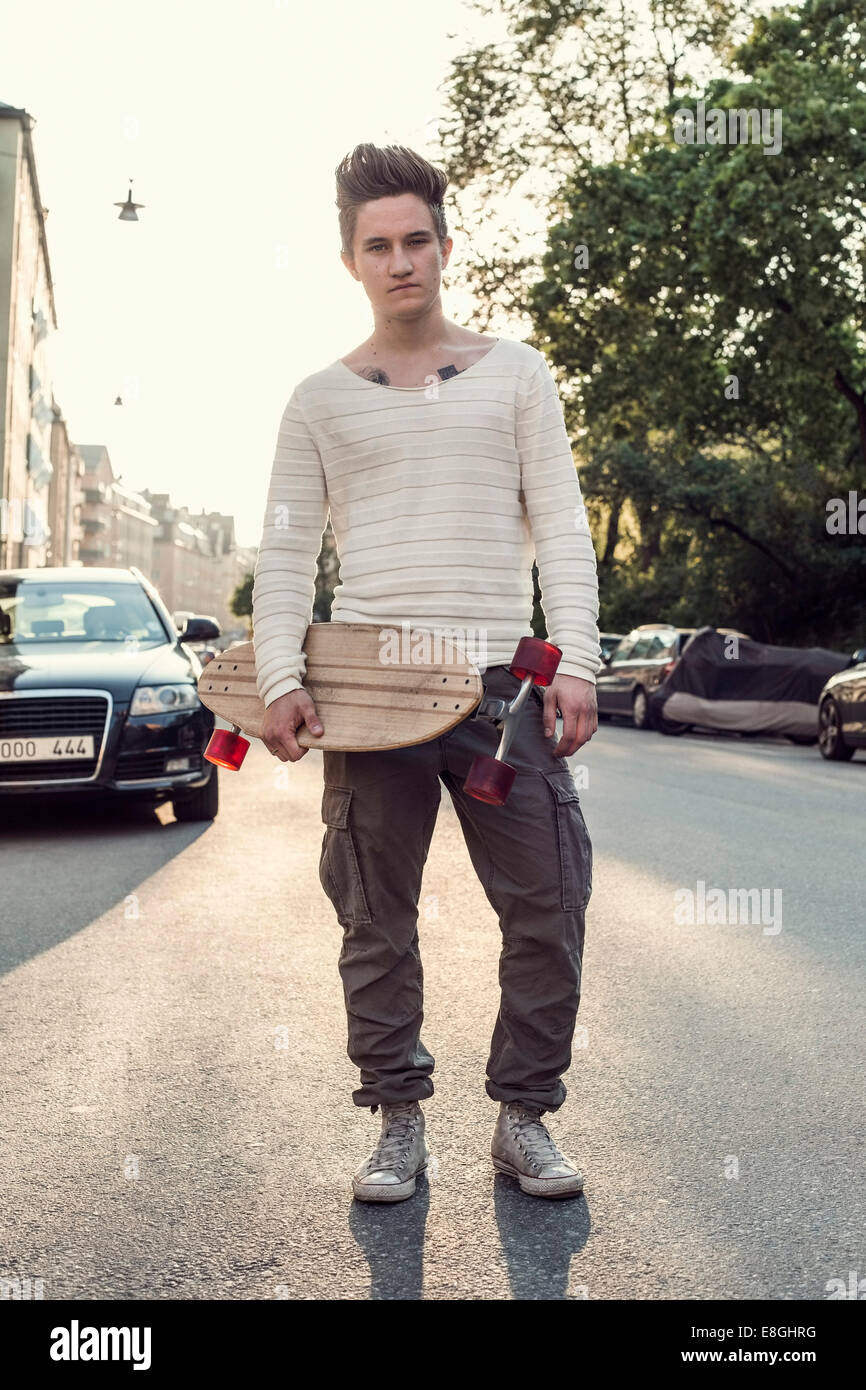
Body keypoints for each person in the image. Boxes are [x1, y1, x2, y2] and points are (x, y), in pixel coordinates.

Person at [252, 142, 601, 1204]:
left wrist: (575, 659)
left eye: (415, 240)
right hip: (366, 693)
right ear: (351, 259)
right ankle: (396, 1117)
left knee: (547, 897)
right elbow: (283, 549)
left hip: (500, 688)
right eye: (377, 246)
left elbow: (563, 528)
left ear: (443, 247)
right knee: (373, 910)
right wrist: (278, 675)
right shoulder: (318, 398)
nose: (399, 260)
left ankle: (522, 1117)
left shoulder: (517, 373)